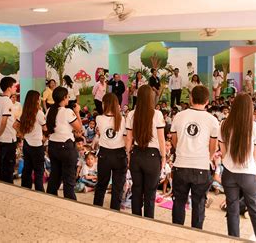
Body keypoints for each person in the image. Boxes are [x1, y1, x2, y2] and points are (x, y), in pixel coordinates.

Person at [218, 93, 256, 242]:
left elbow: (224, 153)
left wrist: (232, 164)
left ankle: (234, 240)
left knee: (232, 210)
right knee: (255, 210)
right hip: (248, 175)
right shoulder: (255, 127)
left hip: (229, 174)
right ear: (249, 108)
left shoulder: (224, 124)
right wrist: (249, 166)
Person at [170, 85, 219, 229]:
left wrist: (184, 150)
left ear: (191, 98)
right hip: (201, 167)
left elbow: (174, 140)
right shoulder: (212, 120)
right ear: (207, 101)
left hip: (181, 165)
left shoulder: (179, 116)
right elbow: (213, 146)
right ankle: (196, 235)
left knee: (179, 202)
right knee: (198, 205)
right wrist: (205, 157)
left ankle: (176, 233)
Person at [126, 85, 166, 218]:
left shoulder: (131, 114)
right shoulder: (157, 114)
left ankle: (136, 218)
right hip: (152, 156)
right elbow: (161, 139)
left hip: (136, 154)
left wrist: (128, 155)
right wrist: (164, 157)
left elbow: (129, 139)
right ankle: (148, 220)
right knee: (150, 193)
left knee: (136, 190)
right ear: (150, 98)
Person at [46, 86, 82, 200]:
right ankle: (70, 201)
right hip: (66, 148)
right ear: (64, 97)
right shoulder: (67, 112)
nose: (69, 99)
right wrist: (77, 112)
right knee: (68, 178)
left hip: (53, 146)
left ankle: (51, 199)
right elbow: (79, 128)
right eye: (67, 96)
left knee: (55, 175)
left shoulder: (49, 110)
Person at [93, 93, 128, 210]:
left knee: (101, 185)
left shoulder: (99, 118)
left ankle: (96, 209)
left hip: (105, 155)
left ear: (104, 104)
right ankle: (115, 211)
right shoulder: (122, 119)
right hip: (119, 155)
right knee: (117, 188)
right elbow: (125, 138)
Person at [13, 90, 47, 192]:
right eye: (39, 98)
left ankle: (25, 188)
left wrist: (21, 134)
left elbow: (15, 125)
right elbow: (45, 128)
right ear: (36, 100)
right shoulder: (39, 113)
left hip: (27, 144)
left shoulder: (24, 112)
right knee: (39, 170)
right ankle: (39, 190)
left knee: (27, 168)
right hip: (37, 145)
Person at [0, 77, 18, 184]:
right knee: (8, 166)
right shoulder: (7, 101)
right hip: (8, 138)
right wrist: (0, 132)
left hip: (1, 138)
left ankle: (2, 184)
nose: (16, 88)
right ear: (9, 88)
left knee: (2, 165)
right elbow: (4, 120)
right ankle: (8, 186)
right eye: (14, 86)